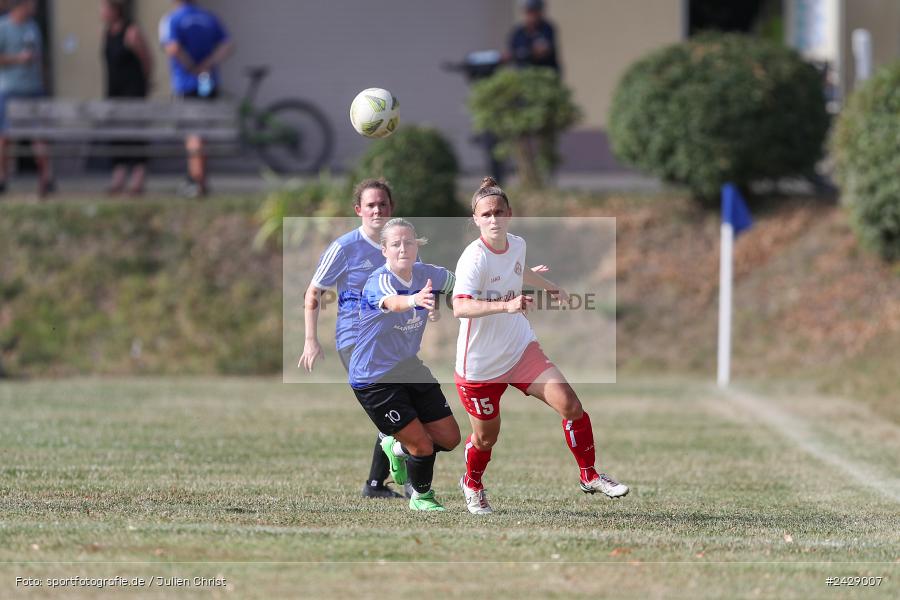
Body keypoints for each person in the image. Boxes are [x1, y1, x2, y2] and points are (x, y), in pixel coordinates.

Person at [452, 177, 628, 515]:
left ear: (510, 214)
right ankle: (472, 483)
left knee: (570, 404)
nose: (493, 219)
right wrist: (505, 305)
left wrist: (550, 287)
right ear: (475, 219)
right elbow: (460, 306)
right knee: (486, 439)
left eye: (499, 212)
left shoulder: (517, 244)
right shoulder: (472, 259)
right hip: (479, 366)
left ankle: (589, 475)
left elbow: (517, 272)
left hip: (520, 349)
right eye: (485, 214)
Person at [300, 179, 411, 499]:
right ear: (359, 210)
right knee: (395, 411)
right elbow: (314, 292)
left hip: (391, 340)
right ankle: (396, 481)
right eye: (371, 205)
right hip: (356, 340)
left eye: (383, 205)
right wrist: (311, 339)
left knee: (400, 410)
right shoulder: (345, 248)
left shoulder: (399, 245)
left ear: (392, 209)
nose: (378, 210)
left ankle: (375, 485)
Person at [349, 218, 460, 511]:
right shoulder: (379, 280)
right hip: (374, 377)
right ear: (384, 249)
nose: (402, 248)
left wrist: (509, 289)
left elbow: (463, 284)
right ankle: (422, 497)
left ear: (417, 246)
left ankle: (394, 447)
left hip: (409, 367)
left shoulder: (428, 274)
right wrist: (416, 300)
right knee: (422, 445)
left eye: (408, 242)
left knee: (450, 438)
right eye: (395, 244)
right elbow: (393, 302)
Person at [159, 0, 233, 198]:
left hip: (186, 83)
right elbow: (227, 45)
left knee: (193, 134)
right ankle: (201, 180)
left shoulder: (173, 19)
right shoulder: (209, 17)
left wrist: (191, 66)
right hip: (209, 82)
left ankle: (196, 182)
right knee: (202, 133)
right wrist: (209, 63)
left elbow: (172, 48)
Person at [0, 0, 53, 196]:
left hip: (33, 89)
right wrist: (17, 59)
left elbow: (39, 56)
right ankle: (2, 178)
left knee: (39, 136)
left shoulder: (33, 27)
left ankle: (46, 178)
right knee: (4, 136)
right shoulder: (3, 27)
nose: (34, 7)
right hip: (9, 90)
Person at [102, 0, 153, 196]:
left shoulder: (132, 32)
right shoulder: (107, 33)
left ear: (116, 10)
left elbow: (146, 59)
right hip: (113, 91)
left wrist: (146, 83)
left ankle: (138, 178)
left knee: (135, 135)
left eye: (105, 8)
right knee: (116, 136)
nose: (102, 12)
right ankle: (119, 177)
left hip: (133, 91)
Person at [506, 0, 560, 73]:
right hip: (523, 75)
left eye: (534, 11)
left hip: (544, 73)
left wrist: (522, 53)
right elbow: (510, 55)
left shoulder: (546, 28)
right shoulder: (517, 33)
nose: (532, 15)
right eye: (529, 11)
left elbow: (542, 51)